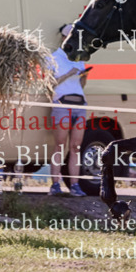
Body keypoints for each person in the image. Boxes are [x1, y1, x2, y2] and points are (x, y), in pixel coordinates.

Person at [47, 24, 89, 197]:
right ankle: (55, 184)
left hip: (80, 104)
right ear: (63, 38)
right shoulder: (53, 57)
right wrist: (69, 73)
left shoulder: (79, 58)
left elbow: (81, 85)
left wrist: (83, 77)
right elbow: (49, 85)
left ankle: (75, 185)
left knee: (76, 147)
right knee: (59, 144)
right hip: (61, 104)